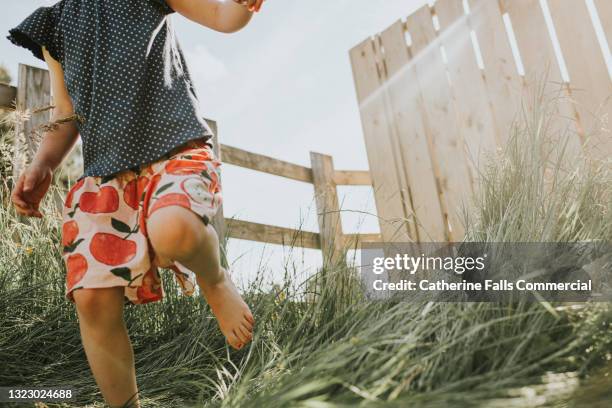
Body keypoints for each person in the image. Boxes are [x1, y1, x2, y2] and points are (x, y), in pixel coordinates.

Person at [8, 0, 263, 406]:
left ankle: (214, 279)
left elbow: (221, 16)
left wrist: (243, 6)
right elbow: (67, 113)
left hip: (172, 149)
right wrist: (44, 164)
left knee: (174, 230)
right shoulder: (55, 23)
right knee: (91, 298)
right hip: (105, 176)